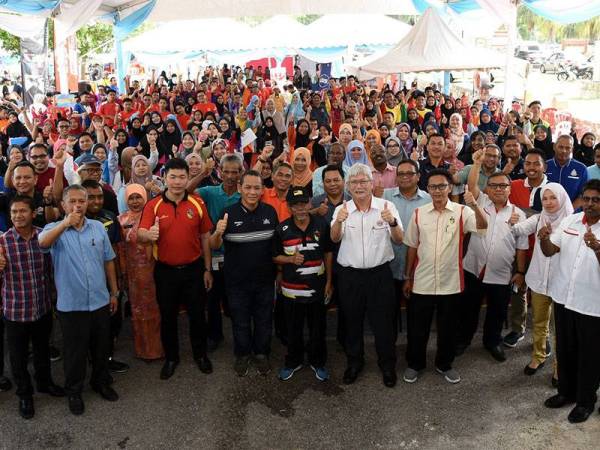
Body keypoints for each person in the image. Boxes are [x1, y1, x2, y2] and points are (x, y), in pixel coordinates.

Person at [39, 185, 120, 416]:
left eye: (81, 201)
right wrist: (66, 223)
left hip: (99, 301)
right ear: (63, 205)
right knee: (75, 352)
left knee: (100, 347)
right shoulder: (54, 228)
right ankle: (74, 391)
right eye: (72, 201)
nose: (77, 206)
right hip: (71, 305)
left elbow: (108, 261)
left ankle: (100, 382)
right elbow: (42, 243)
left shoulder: (97, 227)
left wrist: (114, 292)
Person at [402, 169, 487, 384]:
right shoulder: (419, 213)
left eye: (442, 186)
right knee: (417, 328)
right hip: (422, 281)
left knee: (448, 328)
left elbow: (483, 226)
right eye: (433, 187)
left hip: (451, 282)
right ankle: (415, 364)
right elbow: (412, 246)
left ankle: (444, 364)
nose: (437, 191)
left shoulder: (461, 212)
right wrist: (407, 277)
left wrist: (474, 205)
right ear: (427, 189)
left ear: (449, 188)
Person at [137, 158, 214, 380]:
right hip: (165, 271)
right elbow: (141, 232)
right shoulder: (153, 205)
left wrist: (207, 269)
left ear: (188, 177)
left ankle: (200, 355)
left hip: (194, 269)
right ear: (165, 178)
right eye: (173, 177)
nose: (178, 182)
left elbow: (205, 236)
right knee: (168, 316)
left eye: (182, 177)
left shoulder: (197, 203)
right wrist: (147, 235)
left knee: (198, 315)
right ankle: (172, 358)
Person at [331, 163, 404, 388]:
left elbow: (399, 239)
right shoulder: (342, 208)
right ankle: (354, 363)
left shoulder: (387, 206)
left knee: (383, 323)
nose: (359, 186)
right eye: (354, 182)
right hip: (350, 276)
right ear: (348, 186)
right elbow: (334, 239)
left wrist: (391, 221)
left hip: (379, 275)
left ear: (372, 184)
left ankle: (387, 365)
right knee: (352, 321)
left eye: (363, 181)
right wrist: (340, 220)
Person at [539, 179, 600, 423]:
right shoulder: (570, 221)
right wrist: (544, 238)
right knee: (565, 349)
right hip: (564, 298)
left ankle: (586, 401)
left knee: (590, 355)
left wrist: (597, 249)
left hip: (592, 304)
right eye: (587, 199)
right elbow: (549, 251)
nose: (590, 204)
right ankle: (566, 392)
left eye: (596, 200)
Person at [0, 195, 65, 420]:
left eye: (22, 211)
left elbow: (52, 270)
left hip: (42, 307)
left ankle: (45, 383)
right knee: (17, 358)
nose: (18, 216)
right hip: (15, 311)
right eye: (14, 212)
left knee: (42, 351)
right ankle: (24, 394)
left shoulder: (43, 237)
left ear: (33, 212)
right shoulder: (3, 242)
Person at [209, 170, 278, 377]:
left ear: (262, 190)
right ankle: (242, 354)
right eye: (247, 187)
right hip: (237, 282)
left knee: (264, 320)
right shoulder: (228, 213)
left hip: (265, 280)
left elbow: (276, 247)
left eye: (257, 187)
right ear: (240, 188)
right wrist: (218, 232)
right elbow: (213, 244)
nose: (252, 191)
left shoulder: (270, 212)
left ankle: (261, 354)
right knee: (240, 321)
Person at [456, 169, 529, 362]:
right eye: (494, 185)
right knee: (468, 309)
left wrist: (520, 272)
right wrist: (477, 163)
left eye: (503, 185)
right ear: (487, 189)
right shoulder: (479, 204)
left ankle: (492, 341)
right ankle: (464, 339)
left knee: (497, 311)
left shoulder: (518, 214)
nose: (498, 189)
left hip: (501, 273)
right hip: (473, 269)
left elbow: (522, 247)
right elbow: (472, 184)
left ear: (509, 189)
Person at [509, 183, 573, 377]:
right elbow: (518, 230)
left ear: (562, 198)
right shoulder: (538, 218)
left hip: (562, 284)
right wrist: (512, 221)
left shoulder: (572, 223)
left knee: (560, 329)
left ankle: (559, 368)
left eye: (553, 197)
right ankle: (539, 356)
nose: (549, 202)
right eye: (545, 198)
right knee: (538, 322)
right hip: (538, 282)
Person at [274, 186, 333, 382]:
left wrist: (329, 281)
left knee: (318, 329)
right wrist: (290, 260)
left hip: (317, 288)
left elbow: (328, 253)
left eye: (303, 204)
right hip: (291, 291)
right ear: (289, 207)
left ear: (309, 203)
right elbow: (274, 257)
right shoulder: (282, 229)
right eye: (295, 205)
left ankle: (318, 362)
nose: (300, 208)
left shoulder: (321, 224)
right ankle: (293, 361)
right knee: (293, 329)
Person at [195, 153, 243, 352]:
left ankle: (241, 337)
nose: (230, 176)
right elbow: (186, 192)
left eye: (235, 172)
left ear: (241, 173)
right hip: (214, 256)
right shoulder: (210, 192)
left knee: (236, 301)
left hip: (238, 257)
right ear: (219, 172)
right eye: (226, 171)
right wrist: (202, 174)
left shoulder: (245, 194)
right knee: (212, 299)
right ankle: (214, 336)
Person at [81, 179, 129, 374]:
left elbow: (118, 248)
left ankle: (107, 358)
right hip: (85, 284)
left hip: (109, 282)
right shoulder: (74, 221)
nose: (96, 201)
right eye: (90, 197)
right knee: (89, 327)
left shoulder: (110, 217)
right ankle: (91, 362)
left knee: (112, 322)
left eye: (99, 196)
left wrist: (121, 276)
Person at [504, 148, 548, 348]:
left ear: (544, 166)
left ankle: (543, 337)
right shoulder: (512, 186)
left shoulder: (553, 189)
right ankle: (517, 329)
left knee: (544, 294)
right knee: (518, 289)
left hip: (545, 251)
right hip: (519, 249)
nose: (531, 167)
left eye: (536, 163)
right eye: (528, 163)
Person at [383, 160, 431, 333]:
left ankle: (414, 354)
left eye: (409, 173)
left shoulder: (429, 199)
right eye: (400, 174)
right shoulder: (384, 197)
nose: (404, 177)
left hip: (418, 268)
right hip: (389, 266)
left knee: (417, 317)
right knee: (388, 316)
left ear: (418, 176)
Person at [117, 184, 163, 360]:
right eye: (131, 198)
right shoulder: (120, 220)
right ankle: (143, 350)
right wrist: (122, 271)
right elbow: (120, 248)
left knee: (156, 310)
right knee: (138, 312)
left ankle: (158, 349)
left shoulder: (153, 217)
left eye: (139, 197)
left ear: (145, 198)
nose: (135, 201)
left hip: (153, 271)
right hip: (133, 274)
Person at [546, 134, 588, 208]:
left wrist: (568, 212)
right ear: (554, 147)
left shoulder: (581, 168)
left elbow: (583, 194)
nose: (564, 151)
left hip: (572, 215)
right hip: (547, 213)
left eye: (568, 148)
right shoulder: (544, 166)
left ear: (572, 149)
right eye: (560, 147)